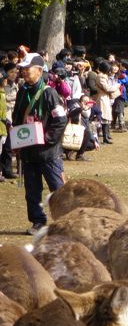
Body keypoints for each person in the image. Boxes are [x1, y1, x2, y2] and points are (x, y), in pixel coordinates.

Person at [12, 54, 67, 234]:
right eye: (23, 68)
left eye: (28, 68)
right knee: (32, 191)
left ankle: (65, 222)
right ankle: (38, 221)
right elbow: (17, 118)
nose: (24, 71)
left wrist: (47, 139)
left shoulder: (49, 93)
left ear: (39, 70)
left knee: (57, 189)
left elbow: (60, 120)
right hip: (28, 151)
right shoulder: (22, 91)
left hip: (48, 153)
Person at [94, 60, 120, 144]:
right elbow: (107, 88)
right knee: (103, 118)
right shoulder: (101, 77)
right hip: (102, 98)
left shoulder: (103, 76)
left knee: (106, 118)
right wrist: (116, 86)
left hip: (105, 97)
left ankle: (106, 136)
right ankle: (104, 137)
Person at [1, 63, 19, 178]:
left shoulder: (16, 85)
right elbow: (4, 99)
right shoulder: (3, 85)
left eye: (15, 72)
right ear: (6, 72)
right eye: (11, 72)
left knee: (9, 145)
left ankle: (7, 170)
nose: (14, 74)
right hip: (5, 117)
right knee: (4, 145)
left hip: (13, 117)